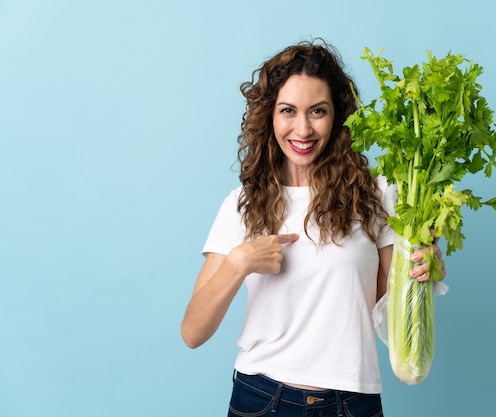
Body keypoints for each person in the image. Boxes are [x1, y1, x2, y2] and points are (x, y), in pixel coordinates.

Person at [181, 39, 446, 417]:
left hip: (352, 402)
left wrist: (421, 275)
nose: (302, 129)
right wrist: (239, 262)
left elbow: (387, 314)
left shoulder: (378, 194)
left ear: (338, 115)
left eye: (317, 111)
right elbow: (193, 332)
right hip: (261, 400)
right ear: (269, 116)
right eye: (288, 110)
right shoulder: (242, 204)